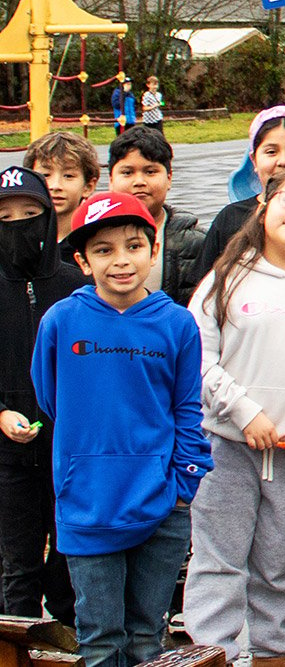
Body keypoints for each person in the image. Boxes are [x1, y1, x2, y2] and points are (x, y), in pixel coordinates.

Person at [32, 192, 211, 667]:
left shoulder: (176, 324)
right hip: (87, 505)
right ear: (82, 260)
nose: (121, 261)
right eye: (104, 250)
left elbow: (187, 409)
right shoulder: (61, 321)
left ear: (154, 250)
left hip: (161, 505)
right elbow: (51, 399)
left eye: (133, 245)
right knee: (100, 640)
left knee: (145, 638)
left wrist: (182, 487)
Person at [183, 168, 285, 667]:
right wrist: (244, 411)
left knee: (277, 564)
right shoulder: (226, 279)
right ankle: (216, 654)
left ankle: (274, 651)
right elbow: (198, 359)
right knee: (219, 561)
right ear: (263, 208)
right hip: (225, 448)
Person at [0, 167, 90, 626]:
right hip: (8, 459)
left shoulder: (76, 286)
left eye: (30, 213)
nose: (18, 224)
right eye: (5, 216)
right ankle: (15, 646)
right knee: (18, 566)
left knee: (70, 560)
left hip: (68, 452)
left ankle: (73, 641)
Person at [191, 106, 285, 286]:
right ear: (254, 160)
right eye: (271, 152)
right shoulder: (230, 218)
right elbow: (201, 287)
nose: (284, 161)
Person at [106, 127, 206, 305]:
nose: (139, 182)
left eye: (150, 172)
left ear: (169, 178)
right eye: (127, 172)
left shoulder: (197, 243)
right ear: (111, 180)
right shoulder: (92, 236)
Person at [25, 130, 100, 253]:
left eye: (68, 176)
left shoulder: (94, 243)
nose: (55, 186)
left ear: (88, 186)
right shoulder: (17, 243)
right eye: (45, 175)